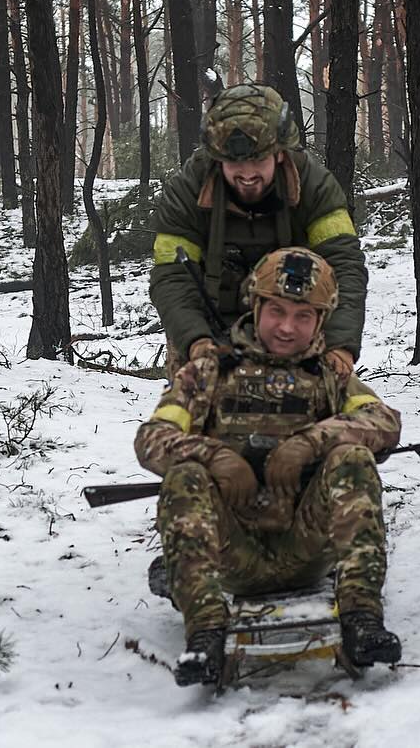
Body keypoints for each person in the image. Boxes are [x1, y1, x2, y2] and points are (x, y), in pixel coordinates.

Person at [134, 247, 403, 686]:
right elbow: (152, 438)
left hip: (307, 547)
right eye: (276, 311)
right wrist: (215, 456)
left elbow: (384, 422)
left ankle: (362, 619)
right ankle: (205, 631)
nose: (286, 327)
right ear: (255, 305)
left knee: (352, 459)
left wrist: (311, 443)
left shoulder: (329, 375)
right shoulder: (209, 371)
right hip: (231, 554)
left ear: (321, 320)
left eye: (303, 316)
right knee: (185, 476)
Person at [149, 83, 366, 380]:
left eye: (258, 160)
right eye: (235, 162)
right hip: (209, 324)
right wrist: (196, 341)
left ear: (279, 154)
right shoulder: (188, 189)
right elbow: (172, 275)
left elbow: (344, 265)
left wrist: (340, 347)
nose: (247, 173)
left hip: (293, 322)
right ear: (217, 157)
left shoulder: (313, 185)